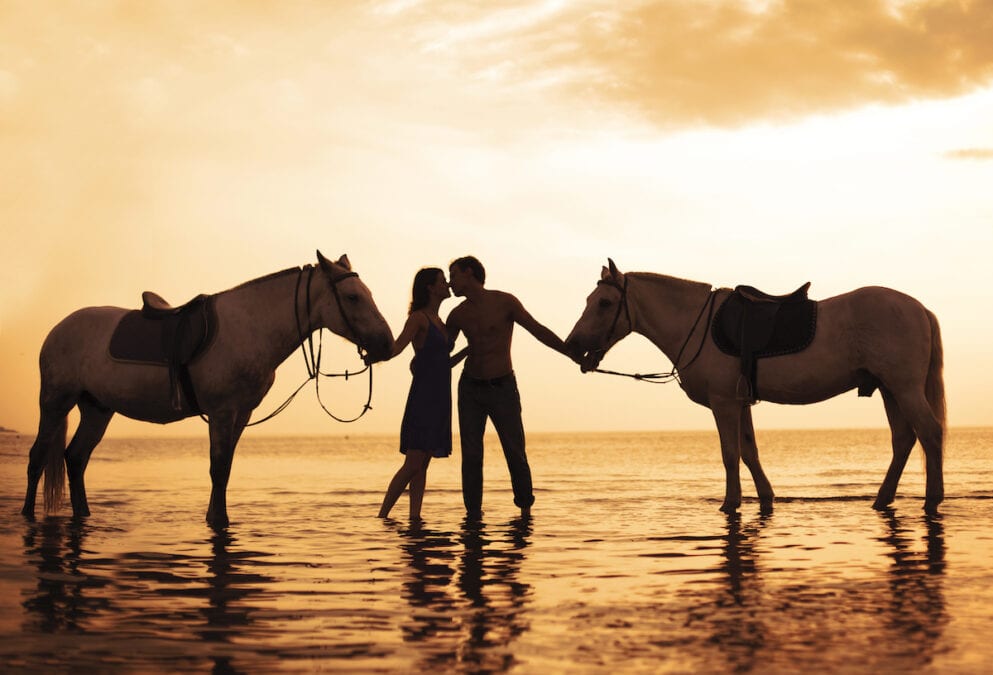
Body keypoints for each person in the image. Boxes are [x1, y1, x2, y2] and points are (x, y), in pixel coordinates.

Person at [446, 255, 577, 519]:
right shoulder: (457, 315)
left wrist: (573, 355)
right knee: (471, 455)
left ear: (469, 273)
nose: (450, 283)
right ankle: (473, 515)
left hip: (502, 387)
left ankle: (525, 510)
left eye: (454, 275)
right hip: (470, 389)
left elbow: (538, 330)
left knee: (514, 449)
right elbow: (441, 353)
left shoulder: (504, 301)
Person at [378, 268, 465, 522]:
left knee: (423, 464)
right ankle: (382, 516)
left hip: (440, 398)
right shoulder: (419, 318)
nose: (447, 283)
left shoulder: (440, 321)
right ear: (430, 287)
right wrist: (375, 352)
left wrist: (469, 351)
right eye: (441, 281)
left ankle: (415, 518)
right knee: (413, 463)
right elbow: (396, 347)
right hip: (424, 397)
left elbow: (443, 362)